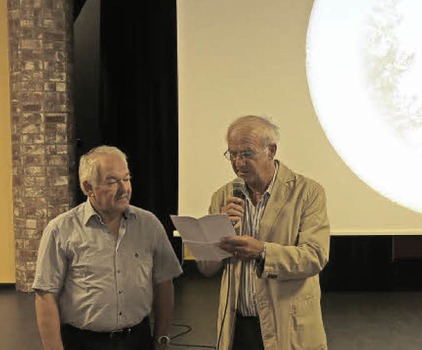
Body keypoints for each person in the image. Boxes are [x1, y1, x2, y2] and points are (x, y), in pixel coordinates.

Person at [197, 115, 330, 350]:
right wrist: (218, 230)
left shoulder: (308, 192)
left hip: (287, 326)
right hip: (237, 326)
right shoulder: (222, 196)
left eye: (247, 153)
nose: (238, 162)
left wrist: (263, 252)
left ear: (271, 150)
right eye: (232, 154)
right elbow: (207, 268)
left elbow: (315, 256)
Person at [33, 145, 183, 350]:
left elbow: (164, 282)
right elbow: (45, 295)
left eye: (127, 179)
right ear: (88, 188)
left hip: (138, 340)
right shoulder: (61, 230)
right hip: (84, 343)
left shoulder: (149, 225)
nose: (124, 188)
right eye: (112, 181)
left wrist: (162, 336)